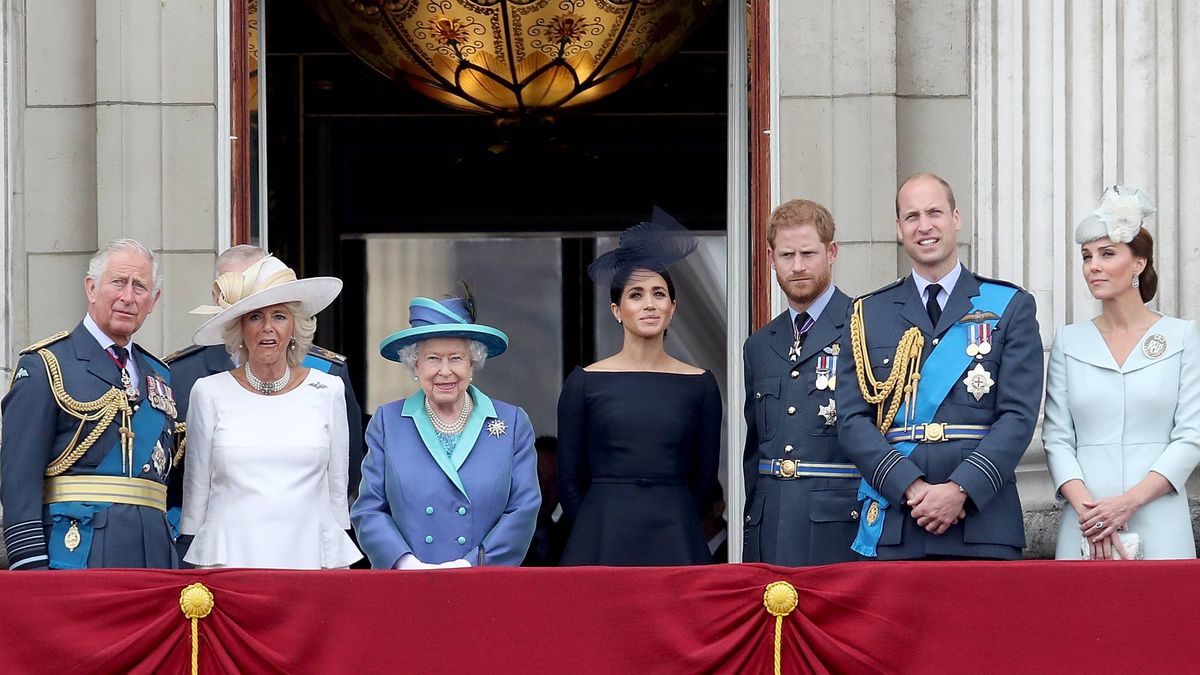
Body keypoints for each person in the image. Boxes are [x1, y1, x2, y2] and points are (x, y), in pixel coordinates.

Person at [836, 173, 1043, 560]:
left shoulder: (1009, 305)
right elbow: (851, 420)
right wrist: (910, 488)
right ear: (899, 228)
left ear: (956, 218)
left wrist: (960, 489)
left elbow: (1018, 416)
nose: (924, 225)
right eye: (911, 216)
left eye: (934, 212)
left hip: (982, 522)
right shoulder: (867, 313)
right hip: (898, 519)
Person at [1044, 185, 1200, 560]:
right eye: (1086, 256)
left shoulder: (1182, 337)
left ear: (1138, 263)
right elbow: (1057, 438)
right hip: (1085, 520)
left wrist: (1128, 503)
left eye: (1107, 254)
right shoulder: (1069, 341)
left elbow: (1191, 435)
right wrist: (1090, 511)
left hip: (1158, 514)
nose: (1093, 266)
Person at [558, 208, 721, 566]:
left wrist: (674, 511)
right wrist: (596, 522)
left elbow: (705, 478)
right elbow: (569, 481)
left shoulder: (701, 384)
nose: (649, 304)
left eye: (659, 294)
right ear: (617, 310)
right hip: (601, 535)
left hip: (676, 534)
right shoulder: (584, 382)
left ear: (673, 307)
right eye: (636, 294)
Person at [1, 239, 177, 570]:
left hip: (154, 558)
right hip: (77, 553)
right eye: (118, 282)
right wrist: (30, 565)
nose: (128, 297)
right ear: (91, 288)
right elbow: (18, 479)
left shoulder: (161, 375)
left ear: (153, 301)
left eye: (140, 286)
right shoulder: (47, 365)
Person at [179, 255, 362, 568]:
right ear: (240, 328)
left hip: (308, 563)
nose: (267, 329)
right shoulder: (208, 392)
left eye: (279, 316)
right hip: (230, 565)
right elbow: (195, 501)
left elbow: (337, 503)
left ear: (295, 326)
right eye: (254, 318)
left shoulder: (328, 390)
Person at [351, 292, 540, 569]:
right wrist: (405, 563)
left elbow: (523, 509)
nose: (445, 371)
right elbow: (369, 509)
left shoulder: (511, 423)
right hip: (409, 584)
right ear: (415, 364)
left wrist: (471, 564)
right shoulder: (388, 422)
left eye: (456, 358)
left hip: (483, 583)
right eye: (432, 358)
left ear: (472, 363)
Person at [742, 199, 861, 565]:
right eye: (786, 254)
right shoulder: (760, 344)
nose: (797, 266)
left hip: (839, 528)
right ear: (770, 257)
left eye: (808, 253)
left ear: (832, 252)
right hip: (770, 526)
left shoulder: (864, 326)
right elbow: (754, 454)